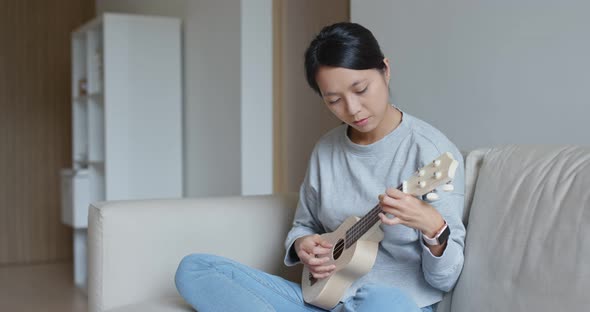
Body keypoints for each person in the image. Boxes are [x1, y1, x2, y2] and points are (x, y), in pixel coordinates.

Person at [175, 22, 465, 312]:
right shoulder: (325, 150)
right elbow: (304, 224)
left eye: (361, 89)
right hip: (323, 300)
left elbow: (446, 279)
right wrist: (303, 244)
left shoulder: (431, 152)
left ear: (385, 71)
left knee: (380, 299)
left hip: (388, 305)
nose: (353, 109)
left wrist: (433, 227)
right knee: (195, 269)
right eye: (334, 100)